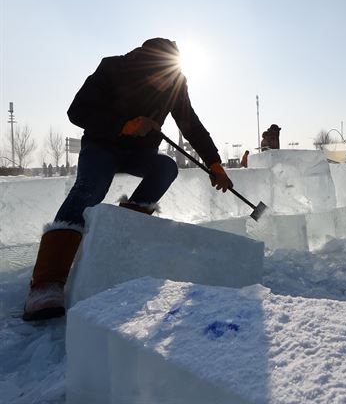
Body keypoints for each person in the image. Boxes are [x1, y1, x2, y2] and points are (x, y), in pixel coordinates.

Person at [22, 38, 233, 321]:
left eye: (169, 79)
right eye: (160, 77)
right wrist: (124, 125)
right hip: (102, 145)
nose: (165, 85)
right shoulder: (113, 68)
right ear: (144, 64)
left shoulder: (176, 82)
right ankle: (46, 282)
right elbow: (77, 111)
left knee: (166, 168)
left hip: (139, 152)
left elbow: (191, 125)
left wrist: (215, 162)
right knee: (93, 186)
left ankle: (122, 234)